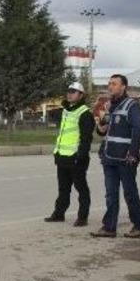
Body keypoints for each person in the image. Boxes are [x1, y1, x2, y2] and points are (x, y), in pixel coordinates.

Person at [91, 74, 140, 238]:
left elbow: (139, 129)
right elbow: (103, 130)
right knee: (110, 194)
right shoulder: (110, 106)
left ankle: (139, 226)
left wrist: (133, 152)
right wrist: (100, 126)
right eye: (109, 84)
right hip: (109, 158)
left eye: (114, 84)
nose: (110, 87)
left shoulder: (131, 105)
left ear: (123, 87)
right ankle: (109, 228)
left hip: (125, 159)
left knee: (130, 193)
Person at [44, 81, 95, 227]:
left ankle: (82, 217)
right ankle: (59, 214)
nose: (70, 94)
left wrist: (81, 156)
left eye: (73, 91)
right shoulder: (66, 110)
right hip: (62, 157)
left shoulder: (84, 113)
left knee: (81, 188)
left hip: (76, 158)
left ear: (81, 95)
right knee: (63, 189)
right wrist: (57, 153)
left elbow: (86, 139)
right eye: (69, 91)